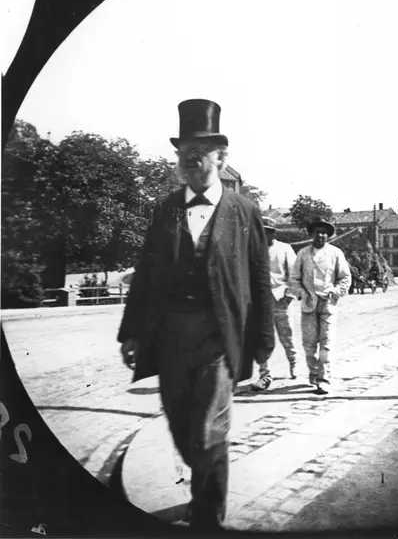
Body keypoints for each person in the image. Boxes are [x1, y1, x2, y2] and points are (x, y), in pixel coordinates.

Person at [116, 99, 274, 531]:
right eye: (184, 149)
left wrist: (264, 340)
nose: (190, 157)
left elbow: (259, 278)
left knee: (208, 431)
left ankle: (208, 515)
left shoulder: (244, 211)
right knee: (181, 425)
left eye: (200, 149)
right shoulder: (165, 208)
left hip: (219, 335)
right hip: (171, 334)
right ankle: (203, 491)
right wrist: (131, 333)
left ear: (221, 157)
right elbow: (146, 272)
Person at [290, 217, 351, 394]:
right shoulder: (303, 254)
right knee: (309, 345)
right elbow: (294, 279)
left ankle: (324, 379)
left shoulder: (336, 253)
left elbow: (345, 277)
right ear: (311, 234)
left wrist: (336, 291)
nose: (320, 235)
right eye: (317, 232)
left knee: (326, 343)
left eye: (324, 233)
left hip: (327, 304)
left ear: (328, 235)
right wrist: (302, 293)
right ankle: (314, 371)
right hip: (308, 304)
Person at [251, 217, 298, 391]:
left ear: (273, 233)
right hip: (260, 301)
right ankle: (265, 374)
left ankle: (293, 362)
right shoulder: (253, 250)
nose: (264, 235)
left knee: (287, 335)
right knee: (262, 338)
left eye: (267, 231)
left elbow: (295, 275)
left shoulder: (285, 249)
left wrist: (289, 295)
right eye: (261, 231)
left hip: (280, 299)